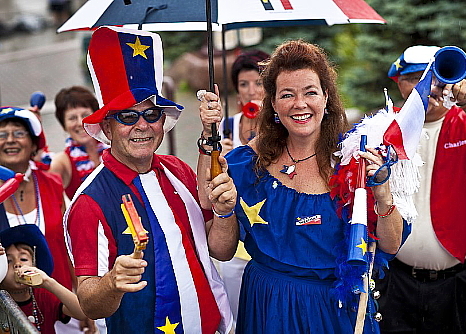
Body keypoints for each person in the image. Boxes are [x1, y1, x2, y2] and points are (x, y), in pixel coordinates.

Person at [198, 40, 408, 333]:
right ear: (273, 104)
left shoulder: (355, 159)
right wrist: (209, 134)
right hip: (268, 306)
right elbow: (217, 238)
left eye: (310, 92)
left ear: (326, 98)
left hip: (335, 310)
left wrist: (383, 195)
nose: (300, 104)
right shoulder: (248, 164)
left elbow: (391, 244)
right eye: (287, 95)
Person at [64, 26, 237, 334]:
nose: (142, 125)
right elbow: (89, 302)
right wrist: (112, 283)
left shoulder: (177, 170)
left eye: (152, 113)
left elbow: (220, 250)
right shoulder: (90, 202)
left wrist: (224, 212)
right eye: (127, 116)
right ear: (106, 128)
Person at [376, 45, 466, 333]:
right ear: (399, 83)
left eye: (434, 77)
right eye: (415, 77)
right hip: (396, 279)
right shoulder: (385, 126)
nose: (427, 86)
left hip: (459, 280)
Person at [216, 49, 269, 321]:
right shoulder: (225, 128)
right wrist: (218, 159)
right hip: (236, 241)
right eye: (244, 84)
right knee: (240, 317)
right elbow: (209, 186)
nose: (251, 91)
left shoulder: (282, 128)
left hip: (270, 239)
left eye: (258, 83)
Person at [0, 107, 73, 292]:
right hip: (10, 309)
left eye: (19, 133)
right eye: (2, 134)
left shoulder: (52, 183)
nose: (10, 140)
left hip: (60, 302)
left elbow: (67, 245)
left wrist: (80, 298)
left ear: (34, 144)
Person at [0, 224, 87, 334]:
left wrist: (47, 282)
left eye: (23, 258)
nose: (17, 264)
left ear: (35, 266)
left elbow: (82, 313)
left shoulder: (43, 295)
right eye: (8, 261)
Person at [49, 86, 107, 200]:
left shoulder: (114, 149)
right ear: (64, 125)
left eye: (85, 115)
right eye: (72, 118)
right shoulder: (61, 163)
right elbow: (49, 203)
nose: (80, 123)